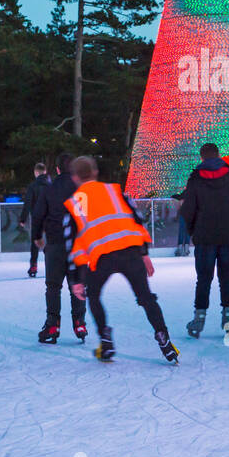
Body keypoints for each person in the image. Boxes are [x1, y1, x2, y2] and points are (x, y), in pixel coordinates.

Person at [64, 156, 178, 364]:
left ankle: (106, 340)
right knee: (146, 298)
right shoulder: (114, 191)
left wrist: (77, 279)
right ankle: (163, 338)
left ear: (74, 178)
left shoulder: (78, 202)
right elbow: (137, 220)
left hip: (102, 257)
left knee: (94, 295)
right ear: (95, 172)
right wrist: (144, 255)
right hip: (130, 252)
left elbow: (74, 243)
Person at [178, 143, 229, 338]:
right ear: (219, 155)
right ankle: (228, 318)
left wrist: (193, 231)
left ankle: (199, 319)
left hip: (204, 237)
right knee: (226, 277)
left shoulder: (195, 179)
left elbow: (187, 210)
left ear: (202, 157)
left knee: (204, 278)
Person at [30, 153, 86, 344]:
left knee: (53, 286)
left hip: (54, 244)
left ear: (58, 169)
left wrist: (37, 237)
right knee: (77, 285)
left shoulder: (48, 190)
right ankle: (80, 322)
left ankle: (53, 325)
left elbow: (37, 216)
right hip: (77, 245)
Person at [18, 163, 51, 278]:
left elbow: (27, 203)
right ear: (45, 172)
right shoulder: (50, 185)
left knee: (35, 241)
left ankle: (33, 265)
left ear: (36, 172)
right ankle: (51, 265)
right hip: (49, 217)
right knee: (49, 242)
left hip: (36, 218)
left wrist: (23, 218)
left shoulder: (33, 186)